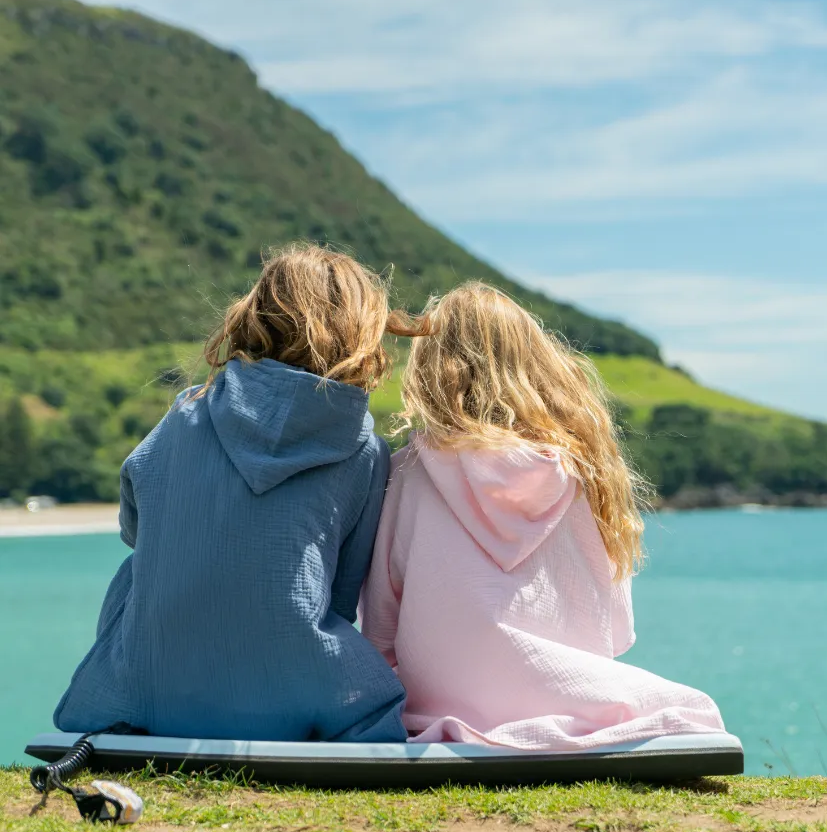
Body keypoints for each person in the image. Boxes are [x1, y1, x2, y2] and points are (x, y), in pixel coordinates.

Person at [54, 244, 406, 742]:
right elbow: (344, 593)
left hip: (156, 693)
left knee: (137, 571)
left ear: (255, 313)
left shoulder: (183, 415)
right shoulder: (364, 450)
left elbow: (137, 530)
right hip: (297, 694)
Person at [361, 282, 725, 749]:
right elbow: (618, 630)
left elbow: (380, 631)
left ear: (433, 371)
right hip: (572, 693)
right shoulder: (584, 472)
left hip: (441, 707)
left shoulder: (408, 474)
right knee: (691, 709)